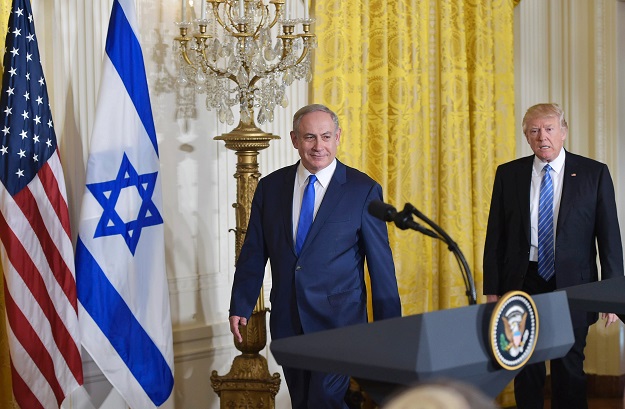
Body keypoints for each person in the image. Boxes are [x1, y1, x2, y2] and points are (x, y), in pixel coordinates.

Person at [228, 103, 402, 408]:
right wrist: (240, 304)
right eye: (309, 138)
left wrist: (390, 330)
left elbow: (381, 266)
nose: (318, 146)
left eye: (325, 136)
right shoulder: (270, 188)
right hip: (288, 321)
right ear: (295, 139)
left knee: (324, 400)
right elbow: (254, 251)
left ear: (338, 137)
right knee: (305, 402)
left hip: (339, 325)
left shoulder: (362, 190)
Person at [483, 103, 624, 409]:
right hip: (524, 281)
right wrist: (492, 289)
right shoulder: (509, 174)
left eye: (548, 129)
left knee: (569, 367)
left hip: (574, 285)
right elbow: (496, 235)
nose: (542, 137)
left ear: (563, 132)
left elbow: (609, 237)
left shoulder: (593, 173)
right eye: (534, 131)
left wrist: (612, 296)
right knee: (526, 367)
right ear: (526, 136)